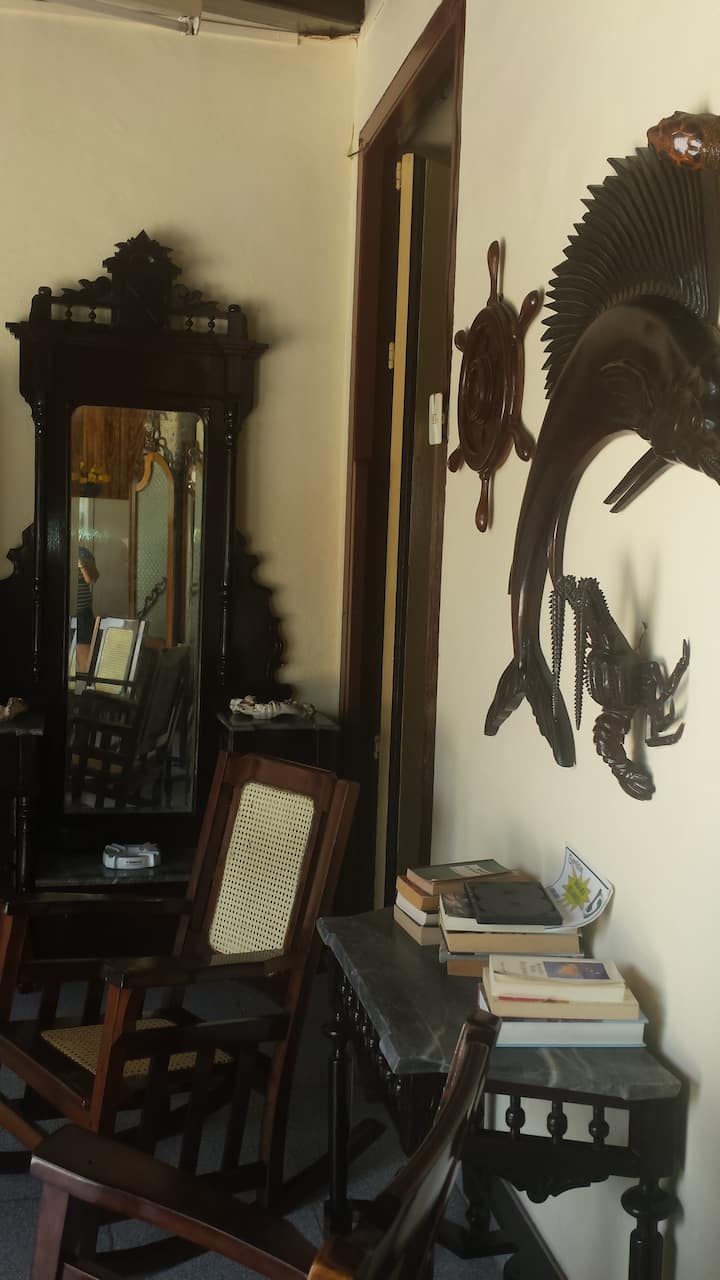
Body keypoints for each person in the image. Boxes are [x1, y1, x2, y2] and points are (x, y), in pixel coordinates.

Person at [76, 544, 99, 673]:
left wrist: (82, 564)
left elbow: (92, 578)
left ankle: (86, 683)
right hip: (60, 611)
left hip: (81, 613)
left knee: (85, 659)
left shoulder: (82, 553)